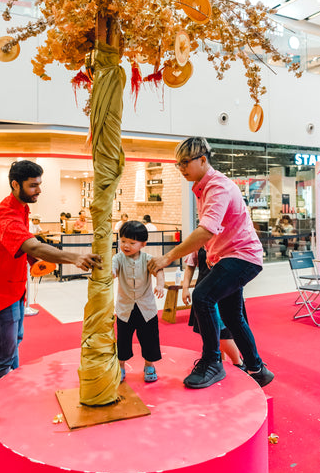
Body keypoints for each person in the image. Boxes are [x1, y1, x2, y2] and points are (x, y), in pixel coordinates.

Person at [148, 137, 273, 389]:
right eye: (178, 164)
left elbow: (205, 231)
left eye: (185, 162)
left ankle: (212, 362)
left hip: (241, 256)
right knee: (232, 315)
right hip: (229, 257)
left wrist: (167, 258)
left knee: (203, 297)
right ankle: (257, 369)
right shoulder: (202, 188)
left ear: (203, 160)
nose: (181, 168)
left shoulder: (218, 187)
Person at [0, 160, 102, 381]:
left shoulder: (21, 207)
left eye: (40, 184)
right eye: (33, 185)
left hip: (14, 291)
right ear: (15, 184)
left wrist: (33, 260)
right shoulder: (6, 214)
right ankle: (1, 401)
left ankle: (13, 387)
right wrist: (75, 257)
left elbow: (22, 245)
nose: (39, 190)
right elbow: (32, 244)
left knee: (14, 343)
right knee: (4, 355)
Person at [112, 220, 165, 383]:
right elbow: (112, 269)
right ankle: (120, 367)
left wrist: (160, 285)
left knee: (150, 339)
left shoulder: (148, 259)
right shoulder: (118, 258)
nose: (126, 245)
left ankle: (149, 365)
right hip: (124, 309)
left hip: (146, 308)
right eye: (123, 241)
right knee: (122, 340)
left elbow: (159, 270)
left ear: (143, 244)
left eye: (131, 242)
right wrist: (109, 274)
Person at [182, 248, 244, 367]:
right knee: (210, 330)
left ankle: (239, 363)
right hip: (203, 289)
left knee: (222, 332)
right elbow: (190, 266)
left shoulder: (228, 241)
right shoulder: (200, 242)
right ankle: (219, 361)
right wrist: (185, 288)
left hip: (224, 290)